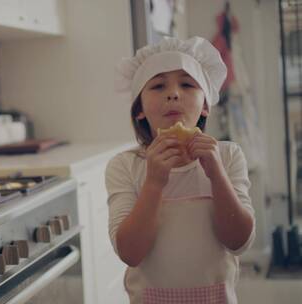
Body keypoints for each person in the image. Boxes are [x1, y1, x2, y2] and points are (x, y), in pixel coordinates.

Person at [107, 36, 255, 304]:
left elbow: (239, 241)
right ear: (139, 109)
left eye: (187, 84)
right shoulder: (125, 166)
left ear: (206, 105)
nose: (173, 93)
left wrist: (217, 175)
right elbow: (130, 253)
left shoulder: (229, 156)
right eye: (158, 85)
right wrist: (153, 182)